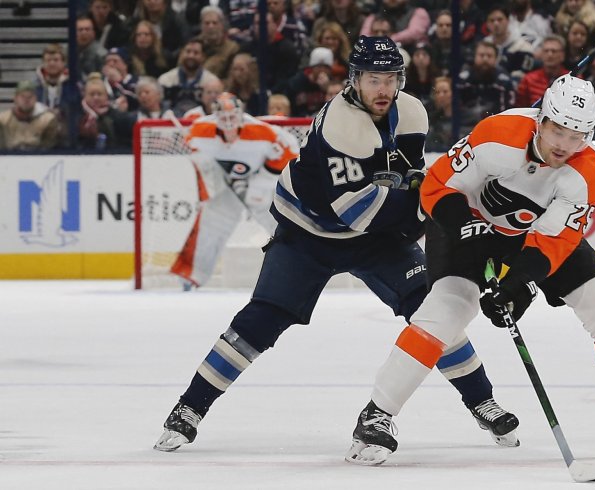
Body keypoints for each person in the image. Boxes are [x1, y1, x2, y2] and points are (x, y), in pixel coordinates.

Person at [154, 37, 521, 455]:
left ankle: (483, 402)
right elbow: (360, 212)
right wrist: (434, 212)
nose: (383, 90)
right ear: (354, 80)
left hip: (373, 236)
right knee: (261, 320)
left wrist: (431, 197)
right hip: (308, 233)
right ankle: (188, 409)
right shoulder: (341, 125)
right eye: (373, 79)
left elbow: (409, 176)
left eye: (391, 79)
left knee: (432, 310)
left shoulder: (412, 112)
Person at [346, 74, 595, 466]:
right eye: (557, 129)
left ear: (589, 136)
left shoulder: (586, 175)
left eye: (575, 135)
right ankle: (376, 415)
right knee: (446, 310)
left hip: (529, 234)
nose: (563, 144)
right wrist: (466, 230)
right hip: (466, 221)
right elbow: (437, 187)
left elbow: (553, 241)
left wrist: (518, 285)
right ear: (541, 119)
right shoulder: (498, 134)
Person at [166, 92, 298, 290]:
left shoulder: (262, 132)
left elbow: (290, 150)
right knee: (212, 222)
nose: (228, 122)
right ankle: (191, 276)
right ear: (215, 116)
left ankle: (302, 269)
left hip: (263, 184)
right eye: (223, 117)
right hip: (229, 186)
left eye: (232, 116)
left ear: (241, 114)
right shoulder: (201, 131)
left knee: (282, 226)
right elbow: (197, 155)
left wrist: (259, 184)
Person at [0, 80, 61, 151]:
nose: (26, 100)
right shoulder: (3, 120)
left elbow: (48, 147)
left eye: (30, 96)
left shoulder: (47, 120)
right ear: (15, 99)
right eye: (22, 96)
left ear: (36, 98)